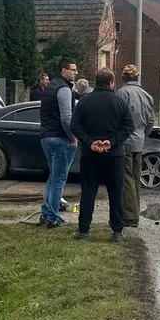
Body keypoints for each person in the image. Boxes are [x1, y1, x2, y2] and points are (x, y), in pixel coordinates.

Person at [70, 68, 135, 242]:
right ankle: (117, 231)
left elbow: (74, 125)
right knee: (116, 193)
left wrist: (89, 141)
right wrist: (112, 142)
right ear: (111, 83)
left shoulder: (84, 101)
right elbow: (129, 126)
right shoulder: (119, 101)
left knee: (88, 192)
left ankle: (83, 230)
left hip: (90, 155)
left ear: (96, 82)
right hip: (115, 155)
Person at [38, 58, 79, 228]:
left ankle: (46, 214)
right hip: (60, 138)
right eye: (73, 69)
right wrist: (73, 137)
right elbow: (67, 118)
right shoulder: (64, 89)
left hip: (46, 137)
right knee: (58, 180)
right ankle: (53, 217)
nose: (76, 73)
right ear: (64, 71)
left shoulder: (49, 88)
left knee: (52, 178)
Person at [117, 64, 155, 228]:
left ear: (123, 78)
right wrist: (142, 136)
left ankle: (130, 216)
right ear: (137, 78)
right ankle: (135, 211)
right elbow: (151, 122)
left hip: (125, 143)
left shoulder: (121, 94)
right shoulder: (147, 96)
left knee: (127, 179)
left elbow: (116, 119)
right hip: (139, 142)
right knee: (135, 178)